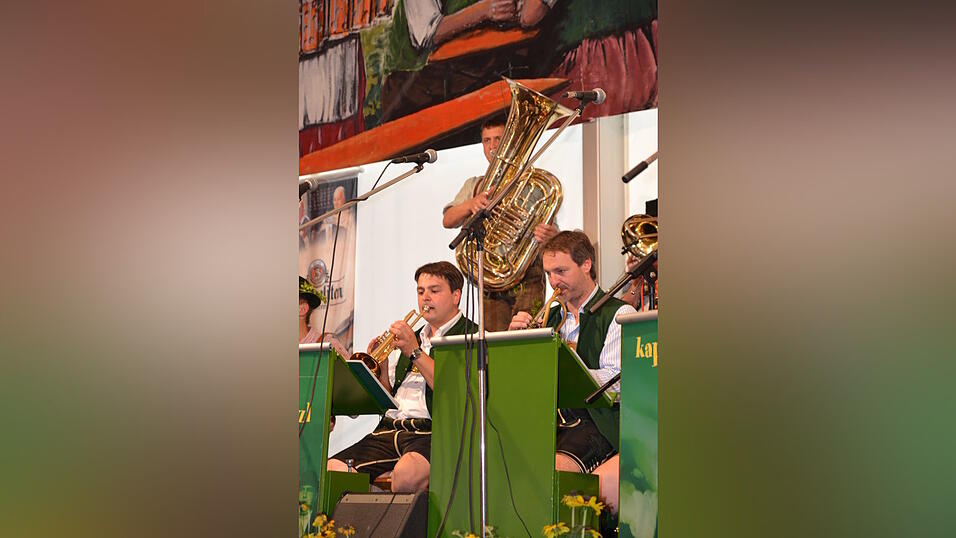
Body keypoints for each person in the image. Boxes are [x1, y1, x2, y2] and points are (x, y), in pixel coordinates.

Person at [508, 231, 636, 514]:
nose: (554, 281)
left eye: (561, 271)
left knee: (551, 469)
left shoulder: (618, 313)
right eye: (548, 273)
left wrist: (568, 358)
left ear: (586, 265)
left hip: (596, 422)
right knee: (502, 462)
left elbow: (616, 382)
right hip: (551, 421)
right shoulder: (548, 318)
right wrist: (516, 345)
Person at [327, 261, 477, 492]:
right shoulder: (412, 337)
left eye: (434, 291)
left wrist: (414, 351)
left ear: (456, 296)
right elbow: (388, 397)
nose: (425, 297)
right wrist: (383, 367)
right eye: (420, 291)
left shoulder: (472, 336)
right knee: (332, 471)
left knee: (406, 475)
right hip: (389, 430)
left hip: (431, 432)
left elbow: (455, 389)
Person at [442, 114, 559, 331]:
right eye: (487, 140)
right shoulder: (475, 185)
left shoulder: (530, 183)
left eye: (498, 139)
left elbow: (553, 235)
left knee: (526, 338)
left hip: (527, 277)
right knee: (493, 345)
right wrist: (472, 204)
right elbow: (448, 220)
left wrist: (550, 236)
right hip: (490, 281)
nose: (493, 146)